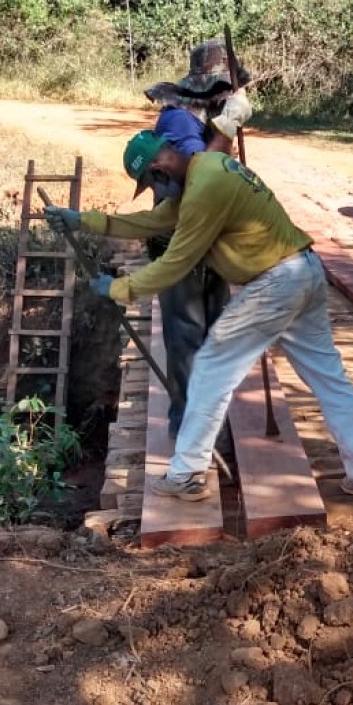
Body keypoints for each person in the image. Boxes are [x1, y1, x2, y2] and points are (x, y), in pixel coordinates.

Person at [44, 92, 353, 503]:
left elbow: (175, 261)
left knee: (210, 366)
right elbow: (153, 221)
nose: (156, 188)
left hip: (276, 283)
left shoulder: (203, 190)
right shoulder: (204, 169)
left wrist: (120, 289)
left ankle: (188, 473)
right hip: (306, 271)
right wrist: (84, 221)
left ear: (161, 162)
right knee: (328, 377)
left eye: (153, 179)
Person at [135, 38, 242, 438]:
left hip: (209, 239)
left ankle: (215, 429)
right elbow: (196, 177)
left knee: (217, 334)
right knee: (185, 337)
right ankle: (187, 431)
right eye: (226, 90)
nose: (229, 96)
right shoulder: (179, 121)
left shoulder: (208, 117)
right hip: (178, 240)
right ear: (206, 88)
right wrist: (228, 128)